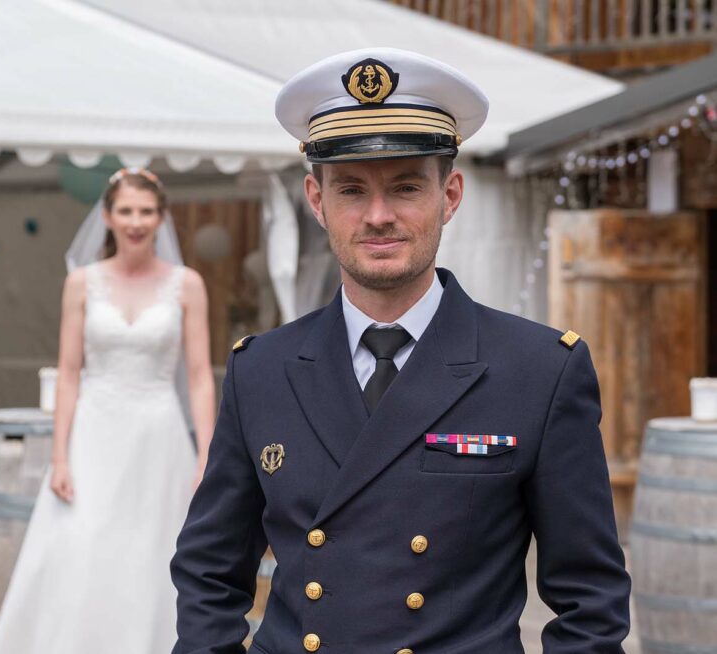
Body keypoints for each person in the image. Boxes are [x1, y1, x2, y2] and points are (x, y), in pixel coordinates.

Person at [171, 48, 631, 654]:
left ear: (451, 195)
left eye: (407, 187)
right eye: (351, 190)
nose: (378, 216)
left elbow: (590, 601)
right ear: (317, 200)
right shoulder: (261, 369)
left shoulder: (539, 370)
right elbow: (209, 571)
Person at [0, 168, 215, 653]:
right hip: (94, 435)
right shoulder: (81, 283)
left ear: (161, 217)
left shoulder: (187, 285)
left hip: (158, 437)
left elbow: (199, 377)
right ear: (108, 216)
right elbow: (69, 372)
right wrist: (60, 456)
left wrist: (206, 456)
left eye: (146, 211)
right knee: (83, 545)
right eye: (126, 211)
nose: (136, 222)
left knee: (151, 554)